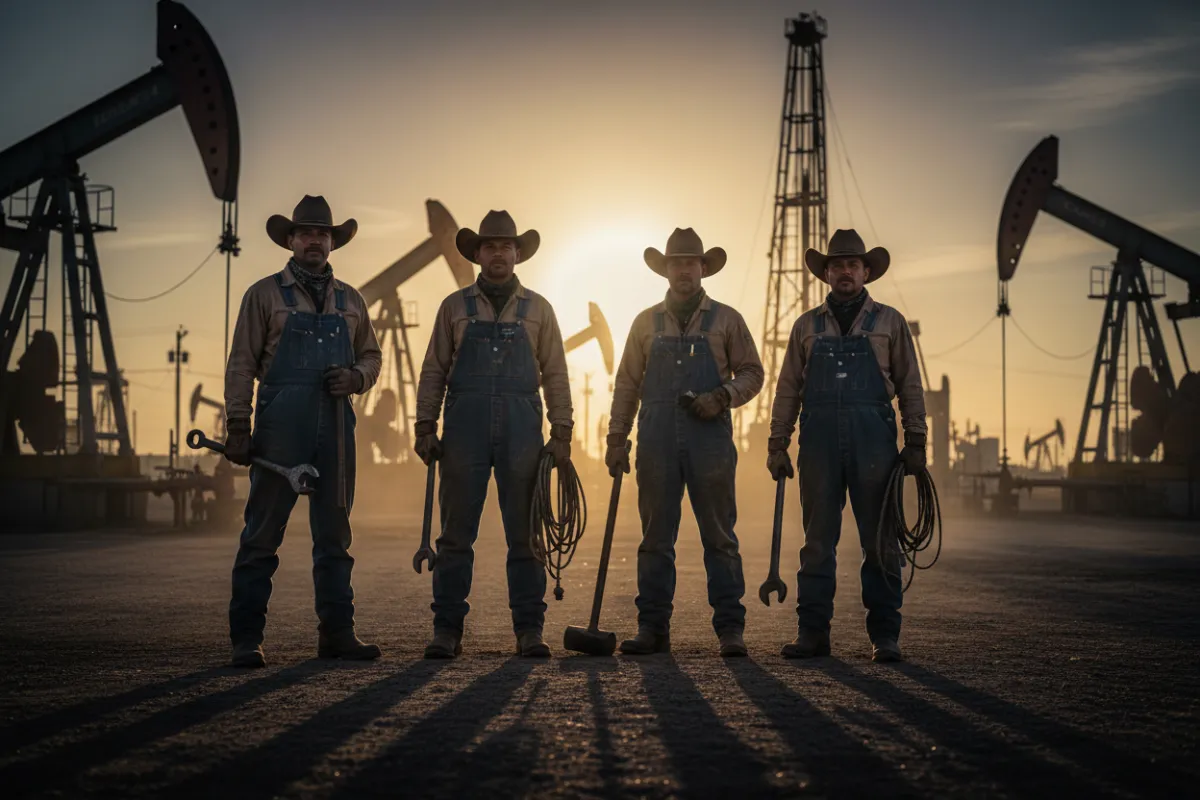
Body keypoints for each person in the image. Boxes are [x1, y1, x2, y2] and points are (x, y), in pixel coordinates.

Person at [222, 195, 383, 668]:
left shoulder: (352, 300)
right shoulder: (264, 295)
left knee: (335, 537)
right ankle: (246, 638)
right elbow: (241, 364)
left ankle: (338, 634)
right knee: (261, 535)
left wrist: (356, 378)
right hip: (280, 429)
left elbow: (372, 356)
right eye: (306, 233)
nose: (315, 240)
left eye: (323, 234)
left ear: (333, 243)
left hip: (335, 427)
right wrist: (238, 424)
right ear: (290, 240)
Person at [414, 210, 573, 659]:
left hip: (523, 426)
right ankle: (447, 630)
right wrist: (424, 425)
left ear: (518, 254)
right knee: (455, 536)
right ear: (478, 254)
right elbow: (434, 369)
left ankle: (529, 630)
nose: (498, 253)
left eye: (506, 246)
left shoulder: (539, 309)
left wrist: (562, 429)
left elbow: (556, 372)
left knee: (526, 534)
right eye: (490, 246)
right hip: (464, 427)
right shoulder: (454, 307)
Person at [767, 229, 927, 663]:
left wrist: (916, 438)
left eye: (852, 265)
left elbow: (910, 384)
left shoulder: (889, 322)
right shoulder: (806, 325)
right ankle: (812, 633)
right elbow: (787, 388)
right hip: (817, 438)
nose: (844, 272)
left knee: (880, 541)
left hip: (873, 438)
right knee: (817, 542)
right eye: (836, 265)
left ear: (866, 271)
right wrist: (777, 441)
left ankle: (885, 636)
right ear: (826, 273)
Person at [605, 228, 764, 657]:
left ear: (703, 268)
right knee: (655, 538)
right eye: (676, 263)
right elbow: (627, 383)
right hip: (655, 439)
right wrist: (617, 437)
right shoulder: (644, 322)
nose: (684, 271)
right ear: (666, 270)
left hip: (709, 440)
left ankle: (730, 629)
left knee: (719, 537)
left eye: (691, 263)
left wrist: (722, 396)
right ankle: (652, 628)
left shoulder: (727, 320)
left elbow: (753, 372)